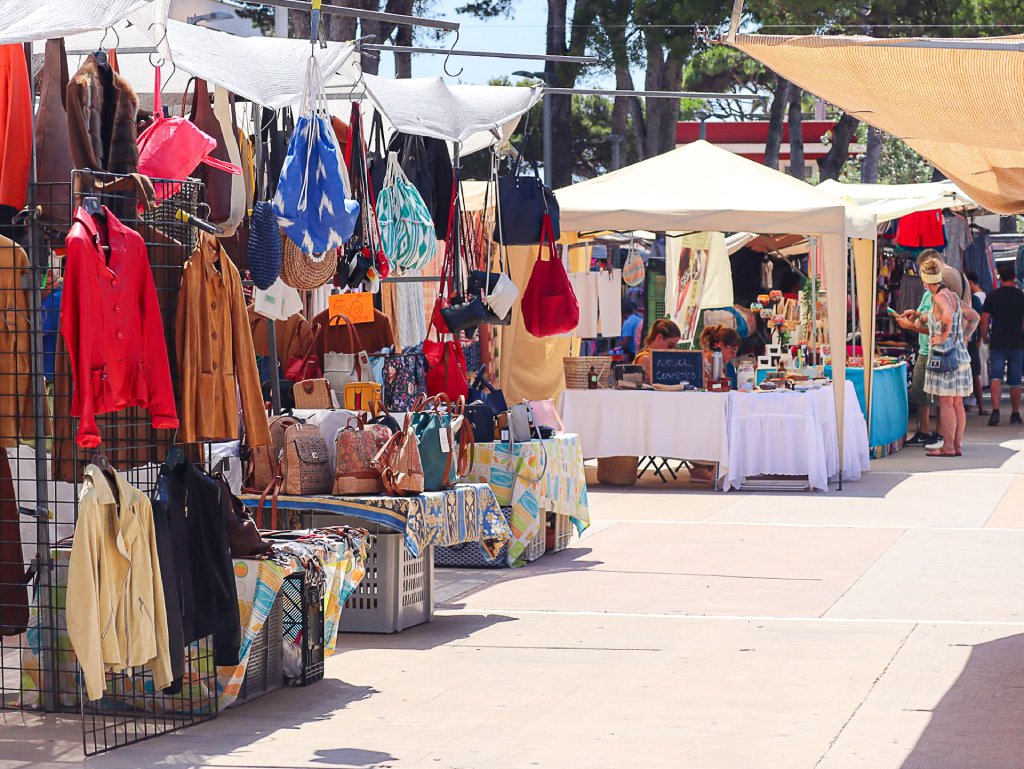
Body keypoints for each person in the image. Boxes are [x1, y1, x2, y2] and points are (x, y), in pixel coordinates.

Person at [901, 257, 979, 457]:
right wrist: (962, 336)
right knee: (957, 404)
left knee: (945, 403)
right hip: (960, 355)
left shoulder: (939, 298)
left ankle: (949, 447)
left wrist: (943, 336)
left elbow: (946, 316)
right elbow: (974, 317)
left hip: (945, 357)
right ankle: (956, 445)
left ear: (925, 280)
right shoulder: (951, 295)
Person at [895, 251, 941, 447]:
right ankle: (925, 431)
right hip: (925, 349)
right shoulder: (929, 295)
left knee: (936, 394)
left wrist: (909, 326)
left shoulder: (940, 297)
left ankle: (937, 433)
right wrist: (914, 314)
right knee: (921, 391)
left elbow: (932, 326)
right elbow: (925, 317)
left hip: (933, 350)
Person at [689, 325, 743, 483]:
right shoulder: (706, 361)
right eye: (731, 351)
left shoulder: (719, 362)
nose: (733, 356)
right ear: (720, 345)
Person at [980, 263, 1024, 426]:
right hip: (1017, 342)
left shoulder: (993, 295)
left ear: (999, 278)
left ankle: (996, 411)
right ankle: (1015, 413)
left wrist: (985, 337)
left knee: (996, 377)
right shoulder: (1021, 296)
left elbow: (984, 320)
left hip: (997, 342)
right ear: (1014, 277)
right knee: (1015, 380)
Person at [965, 271, 987, 415]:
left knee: (974, 374)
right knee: (972, 374)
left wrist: (979, 339)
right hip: (964, 342)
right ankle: (973, 405)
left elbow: (979, 320)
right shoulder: (959, 298)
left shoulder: (973, 299)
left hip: (969, 342)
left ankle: (979, 406)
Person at [634, 319, 682, 384]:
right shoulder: (645, 358)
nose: (672, 349)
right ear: (659, 337)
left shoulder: (659, 358)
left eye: (675, 347)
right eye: (670, 345)